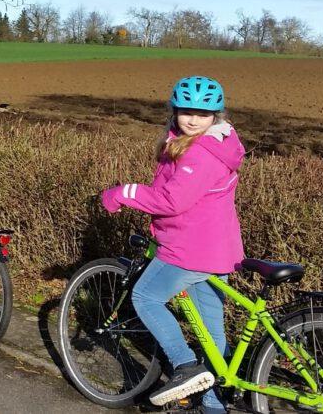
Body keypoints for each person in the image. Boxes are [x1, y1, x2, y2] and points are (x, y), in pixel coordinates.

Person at [100, 76, 244, 413]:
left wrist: (123, 192)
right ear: (175, 111)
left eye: (203, 114)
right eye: (186, 112)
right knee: (211, 330)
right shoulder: (213, 142)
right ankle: (212, 403)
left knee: (146, 297)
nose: (193, 120)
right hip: (218, 248)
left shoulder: (203, 152)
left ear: (216, 116)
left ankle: (185, 366)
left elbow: (171, 200)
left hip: (191, 249)